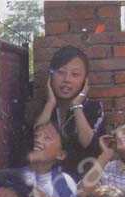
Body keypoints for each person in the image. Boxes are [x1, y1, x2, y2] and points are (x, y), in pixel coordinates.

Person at [35, 46, 105, 179]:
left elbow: (90, 145)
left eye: (75, 74)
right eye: (61, 72)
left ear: (85, 80)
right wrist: (50, 104)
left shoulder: (93, 108)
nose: (67, 79)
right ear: (51, 77)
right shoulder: (44, 109)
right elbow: (36, 142)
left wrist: (77, 106)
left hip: (83, 183)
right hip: (46, 182)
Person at [24, 122, 82, 197]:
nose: (38, 141)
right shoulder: (13, 176)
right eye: (36, 137)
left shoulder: (64, 182)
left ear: (60, 155)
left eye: (47, 138)